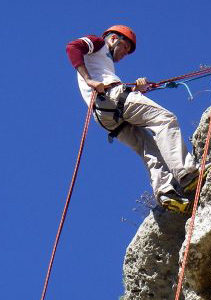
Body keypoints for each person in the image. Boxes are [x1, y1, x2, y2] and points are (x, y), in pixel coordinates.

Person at [66, 25, 203, 213]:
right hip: (113, 98)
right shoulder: (98, 44)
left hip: (105, 115)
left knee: (148, 146)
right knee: (165, 119)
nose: (124, 55)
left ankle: (165, 192)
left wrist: (135, 89)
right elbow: (73, 47)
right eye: (125, 48)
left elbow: (108, 85)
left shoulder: (103, 64)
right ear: (113, 38)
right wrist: (89, 79)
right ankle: (187, 174)